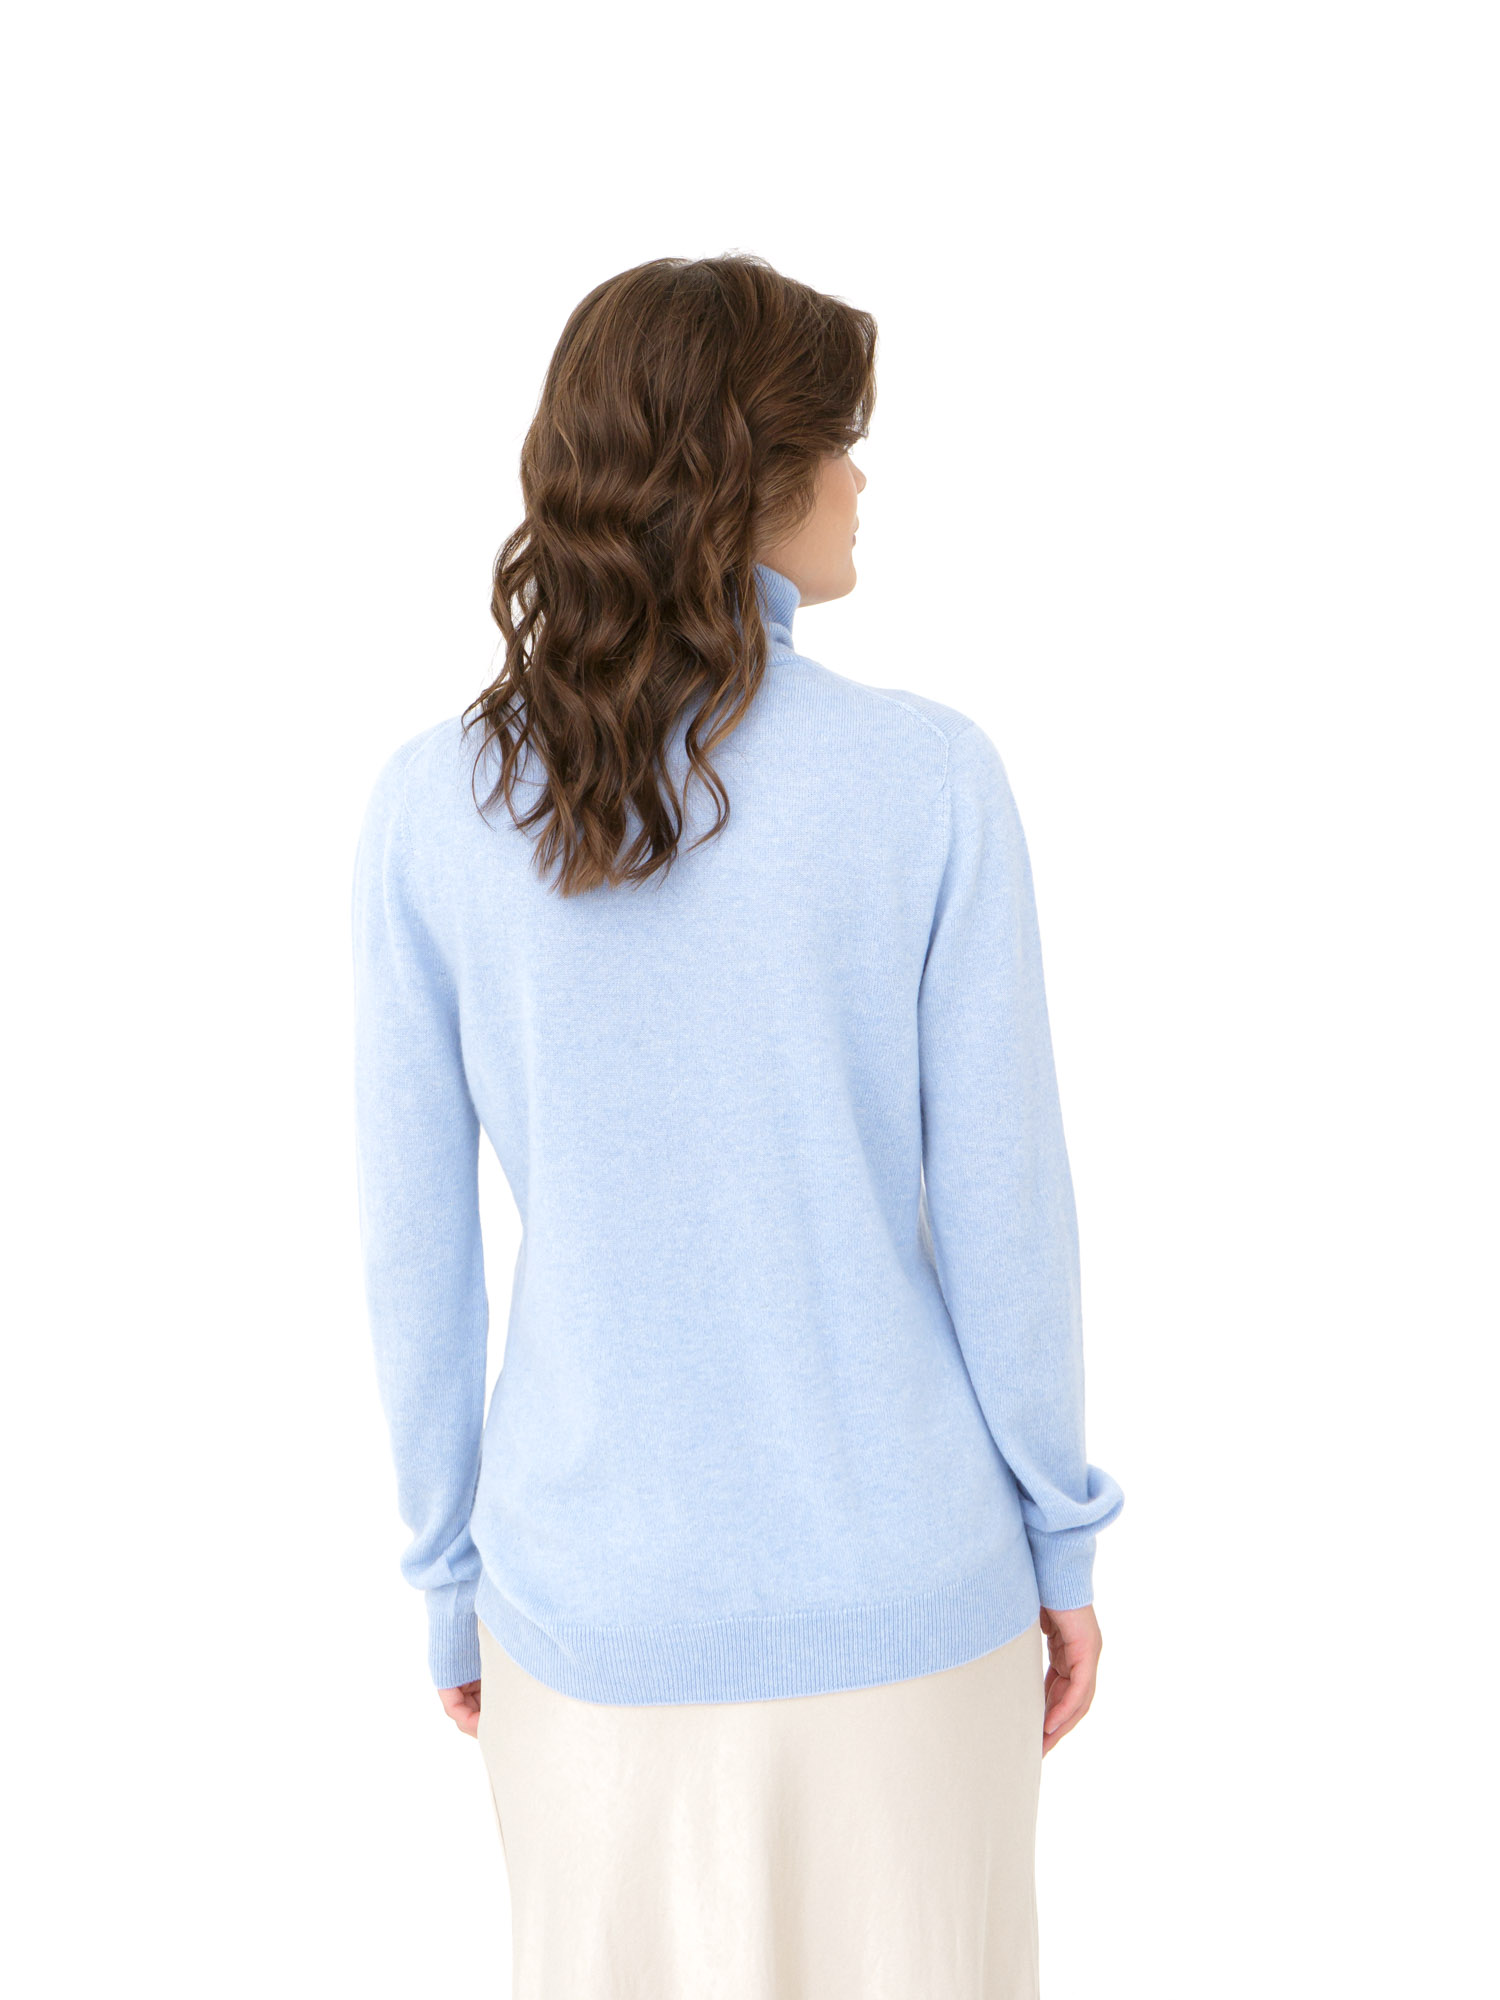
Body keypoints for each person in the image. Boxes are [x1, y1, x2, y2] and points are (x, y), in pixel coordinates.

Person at [351, 252, 1123, 1999]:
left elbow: (415, 1254)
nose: (863, 480)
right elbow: (1010, 1214)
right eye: (841, 442)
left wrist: (451, 1574)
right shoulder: (930, 778)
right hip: (916, 1620)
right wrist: (1060, 1539)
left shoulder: (433, 809)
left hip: (587, 1631)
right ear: (751, 476)